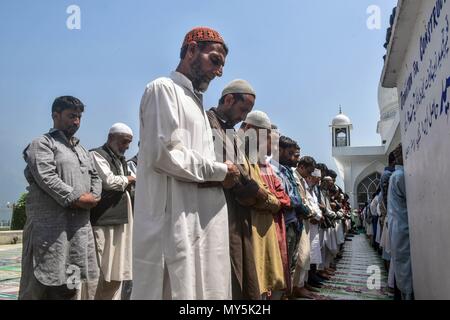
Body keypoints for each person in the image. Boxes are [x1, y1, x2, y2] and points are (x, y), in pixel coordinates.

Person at [132, 27, 240, 300]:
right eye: (214, 60)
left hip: (203, 224)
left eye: (222, 66)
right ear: (191, 49)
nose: (218, 72)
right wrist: (220, 171)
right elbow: (164, 155)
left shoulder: (198, 106)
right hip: (175, 225)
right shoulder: (163, 90)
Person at [19, 96, 101, 300]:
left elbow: (95, 176)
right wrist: (77, 198)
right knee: (37, 288)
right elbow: (46, 177)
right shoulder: (42, 144)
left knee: (70, 289)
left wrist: (95, 196)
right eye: (71, 116)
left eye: (79, 117)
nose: (76, 122)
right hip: (49, 234)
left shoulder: (82, 150)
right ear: (55, 115)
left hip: (78, 236)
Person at [207, 81, 265, 299]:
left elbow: (242, 170)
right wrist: (254, 192)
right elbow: (229, 168)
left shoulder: (229, 131)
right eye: (243, 110)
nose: (243, 117)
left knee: (243, 269)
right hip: (220, 209)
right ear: (229, 100)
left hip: (238, 211)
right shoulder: (208, 123)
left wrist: (252, 190)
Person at [88, 123, 135, 300]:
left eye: (129, 143)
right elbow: (109, 181)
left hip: (121, 222)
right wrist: (130, 178)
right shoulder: (96, 155)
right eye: (124, 142)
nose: (127, 147)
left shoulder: (121, 160)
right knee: (100, 269)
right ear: (111, 138)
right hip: (102, 222)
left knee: (118, 269)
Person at [388, 144, 414, 300]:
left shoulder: (397, 175)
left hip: (398, 226)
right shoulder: (400, 176)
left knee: (402, 264)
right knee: (405, 266)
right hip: (402, 226)